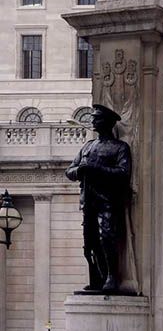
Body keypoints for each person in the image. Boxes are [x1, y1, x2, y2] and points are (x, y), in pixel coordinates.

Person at [65, 104, 132, 293]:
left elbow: (123, 172)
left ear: (107, 123)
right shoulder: (88, 146)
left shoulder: (119, 148)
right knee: (89, 243)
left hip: (108, 201)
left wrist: (95, 169)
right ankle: (96, 277)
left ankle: (111, 276)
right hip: (88, 201)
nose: (92, 121)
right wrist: (80, 170)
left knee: (107, 238)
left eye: (96, 118)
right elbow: (69, 171)